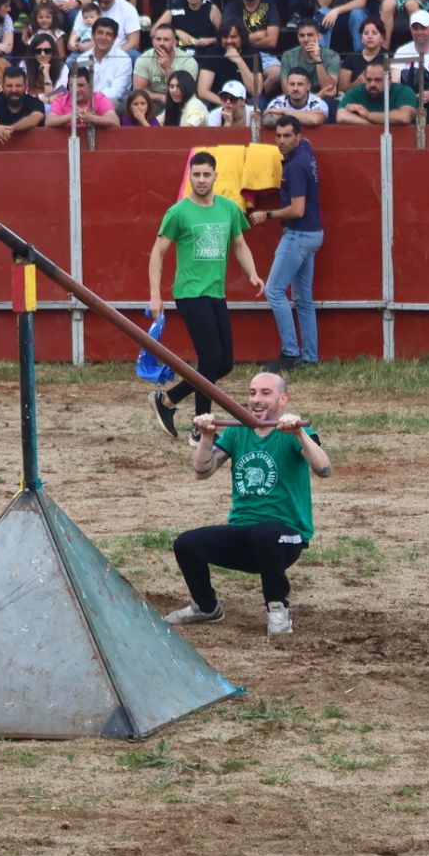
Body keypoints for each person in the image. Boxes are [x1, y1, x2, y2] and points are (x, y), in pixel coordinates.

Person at [164, 369, 331, 631]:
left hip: (286, 537)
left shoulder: (297, 431)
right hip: (245, 534)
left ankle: (278, 609)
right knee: (186, 544)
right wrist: (206, 436)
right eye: (252, 393)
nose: (256, 399)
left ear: (283, 399)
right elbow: (201, 472)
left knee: (264, 534)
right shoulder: (237, 431)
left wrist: (299, 434)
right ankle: (206, 607)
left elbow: (324, 469)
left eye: (266, 393)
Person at [147, 150, 264, 445]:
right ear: (190, 177)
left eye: (205, 174)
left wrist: (252, 273)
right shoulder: (178, 212)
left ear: (215, 176)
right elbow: (157, 253)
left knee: (224, 364)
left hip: (215, 292)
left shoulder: (228, 208)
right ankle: (200, 429)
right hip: (189, 293)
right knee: (210, 359)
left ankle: (168, 400)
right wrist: (155, 296)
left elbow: (239, 244)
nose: (201, 180)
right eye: (195, 175)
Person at [250, 115, 323, 371]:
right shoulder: (305, 151)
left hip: (299, 234)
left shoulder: (295, 166)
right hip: (313, 234)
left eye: (287, 136)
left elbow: (297, 209)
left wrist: (267, 214)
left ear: (297, 137)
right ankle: (310, 357)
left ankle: (290, 353)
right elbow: (308, 142)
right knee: (304, 299)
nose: (281, 141)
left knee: (274, 290)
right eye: (278, 136)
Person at [393, 8, 429, 122]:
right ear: (411, 30)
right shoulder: (402, 51)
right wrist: (408, 96)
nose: (419, 32)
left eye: (423, 28)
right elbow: (396, 82)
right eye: (415, 28)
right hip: (407, 95)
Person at [0, 63, 44, 142]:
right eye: (9, 86)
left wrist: (11, 129)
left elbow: (34, 119)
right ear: (3, 87)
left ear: (26, 87)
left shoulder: (35, 102)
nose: (14, 90)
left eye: (18, 86)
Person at [335, 59, 414, 123]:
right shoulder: (356, 91)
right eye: (369, 80)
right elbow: (341, 116)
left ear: (389, 80)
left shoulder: (403, 91)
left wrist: (368, 114)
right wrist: (368, 124)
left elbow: (404, 117)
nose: (372, 84)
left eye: (377, 80)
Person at [262, 68, 328, 125]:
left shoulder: (317, 102)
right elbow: (269, 121)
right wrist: (306, 117)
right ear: (287, 86)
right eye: (292, 84)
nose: (295, 88)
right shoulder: (278, 101)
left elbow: (315, 120)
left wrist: (283, 112)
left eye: (300, 84)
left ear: (308, 86)